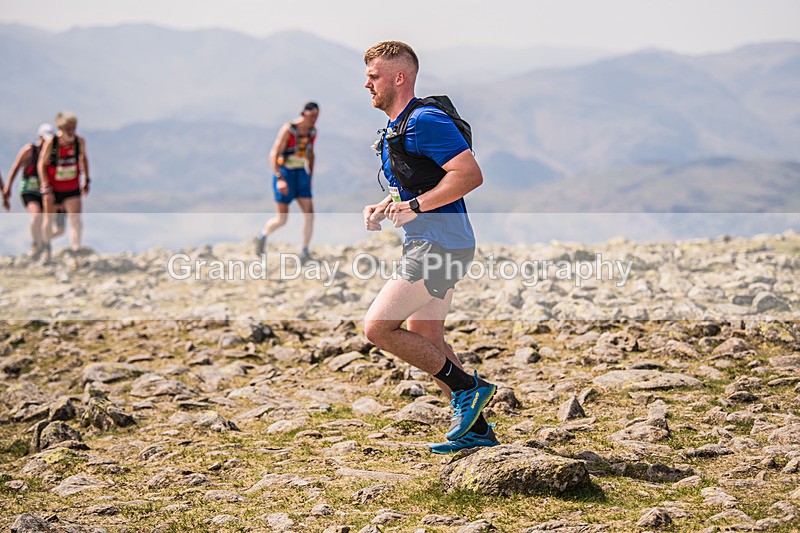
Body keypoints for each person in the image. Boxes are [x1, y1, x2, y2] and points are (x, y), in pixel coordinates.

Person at [361, 41, 498, 453]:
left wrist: (416, 205)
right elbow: (420, 183)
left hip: (440, 243)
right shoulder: (398, 126)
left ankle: (468, 389)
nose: (366, 83)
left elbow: (469, 174)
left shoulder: (423, 120)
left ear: (399, 77)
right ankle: (477, 431)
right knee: (426, 333)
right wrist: (389, 205)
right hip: (434, 240)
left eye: (374, 76)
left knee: (378, 328)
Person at [254, 102, 319, 263]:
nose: (314, 120)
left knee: (309, 215)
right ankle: (262, 236)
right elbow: (274, 153)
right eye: (312, 116)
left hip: (301, 174)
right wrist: (279, 178)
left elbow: (311, 153)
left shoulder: (312, 132)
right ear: (303, 114)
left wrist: (309, 175)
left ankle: (304, 251)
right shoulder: (288, 130)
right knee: (282, 219)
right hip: (285, 173)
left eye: (316, 116)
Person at [38, 112, 90, 267]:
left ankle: (76, 251)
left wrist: (86, 179)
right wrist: (45, 185)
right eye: (68, 127)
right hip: (53, 189)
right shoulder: (52, 143)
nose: (71, 130)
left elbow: (84, 158)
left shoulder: (79, 142)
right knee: (49, 219)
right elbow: (41, 164)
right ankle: (46, 249)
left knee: (75, 219)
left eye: (74, 127)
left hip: (72, 188)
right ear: (61, 127)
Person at [3, 123, 55, 258]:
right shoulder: (29, 150)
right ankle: (36, 245)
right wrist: (7, 188)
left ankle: (44, 245)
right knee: (36, 215)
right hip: (29, 190)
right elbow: (16, 168)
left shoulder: (53, 154)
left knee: (46, 220)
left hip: (45, 191)